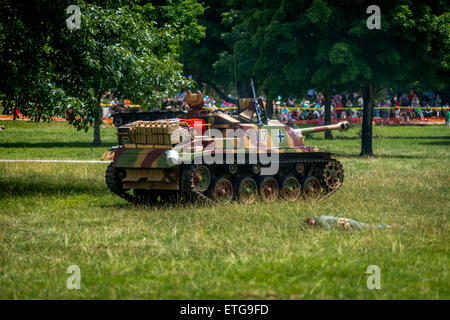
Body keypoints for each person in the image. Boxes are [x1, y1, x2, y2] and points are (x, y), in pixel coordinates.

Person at [304, 216, 400, 230]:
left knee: (369, 228)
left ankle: (388, 227)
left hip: (349, 224)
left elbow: (328, 229)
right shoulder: (320, 218)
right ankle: (388, 226)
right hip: (348, 224)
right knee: (367, 227)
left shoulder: (320, 220)